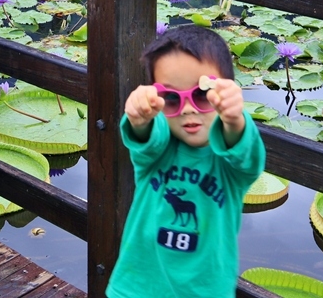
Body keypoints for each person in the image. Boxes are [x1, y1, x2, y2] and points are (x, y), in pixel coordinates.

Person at [106, 25, 266, 298]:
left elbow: (244, 151)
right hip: (137, 289)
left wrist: (235, 120)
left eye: (202, 94)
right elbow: (143, 135)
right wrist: (138, 116)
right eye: (170, 98)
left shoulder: (231, 167)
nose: (189, 108)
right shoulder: (157, 151)